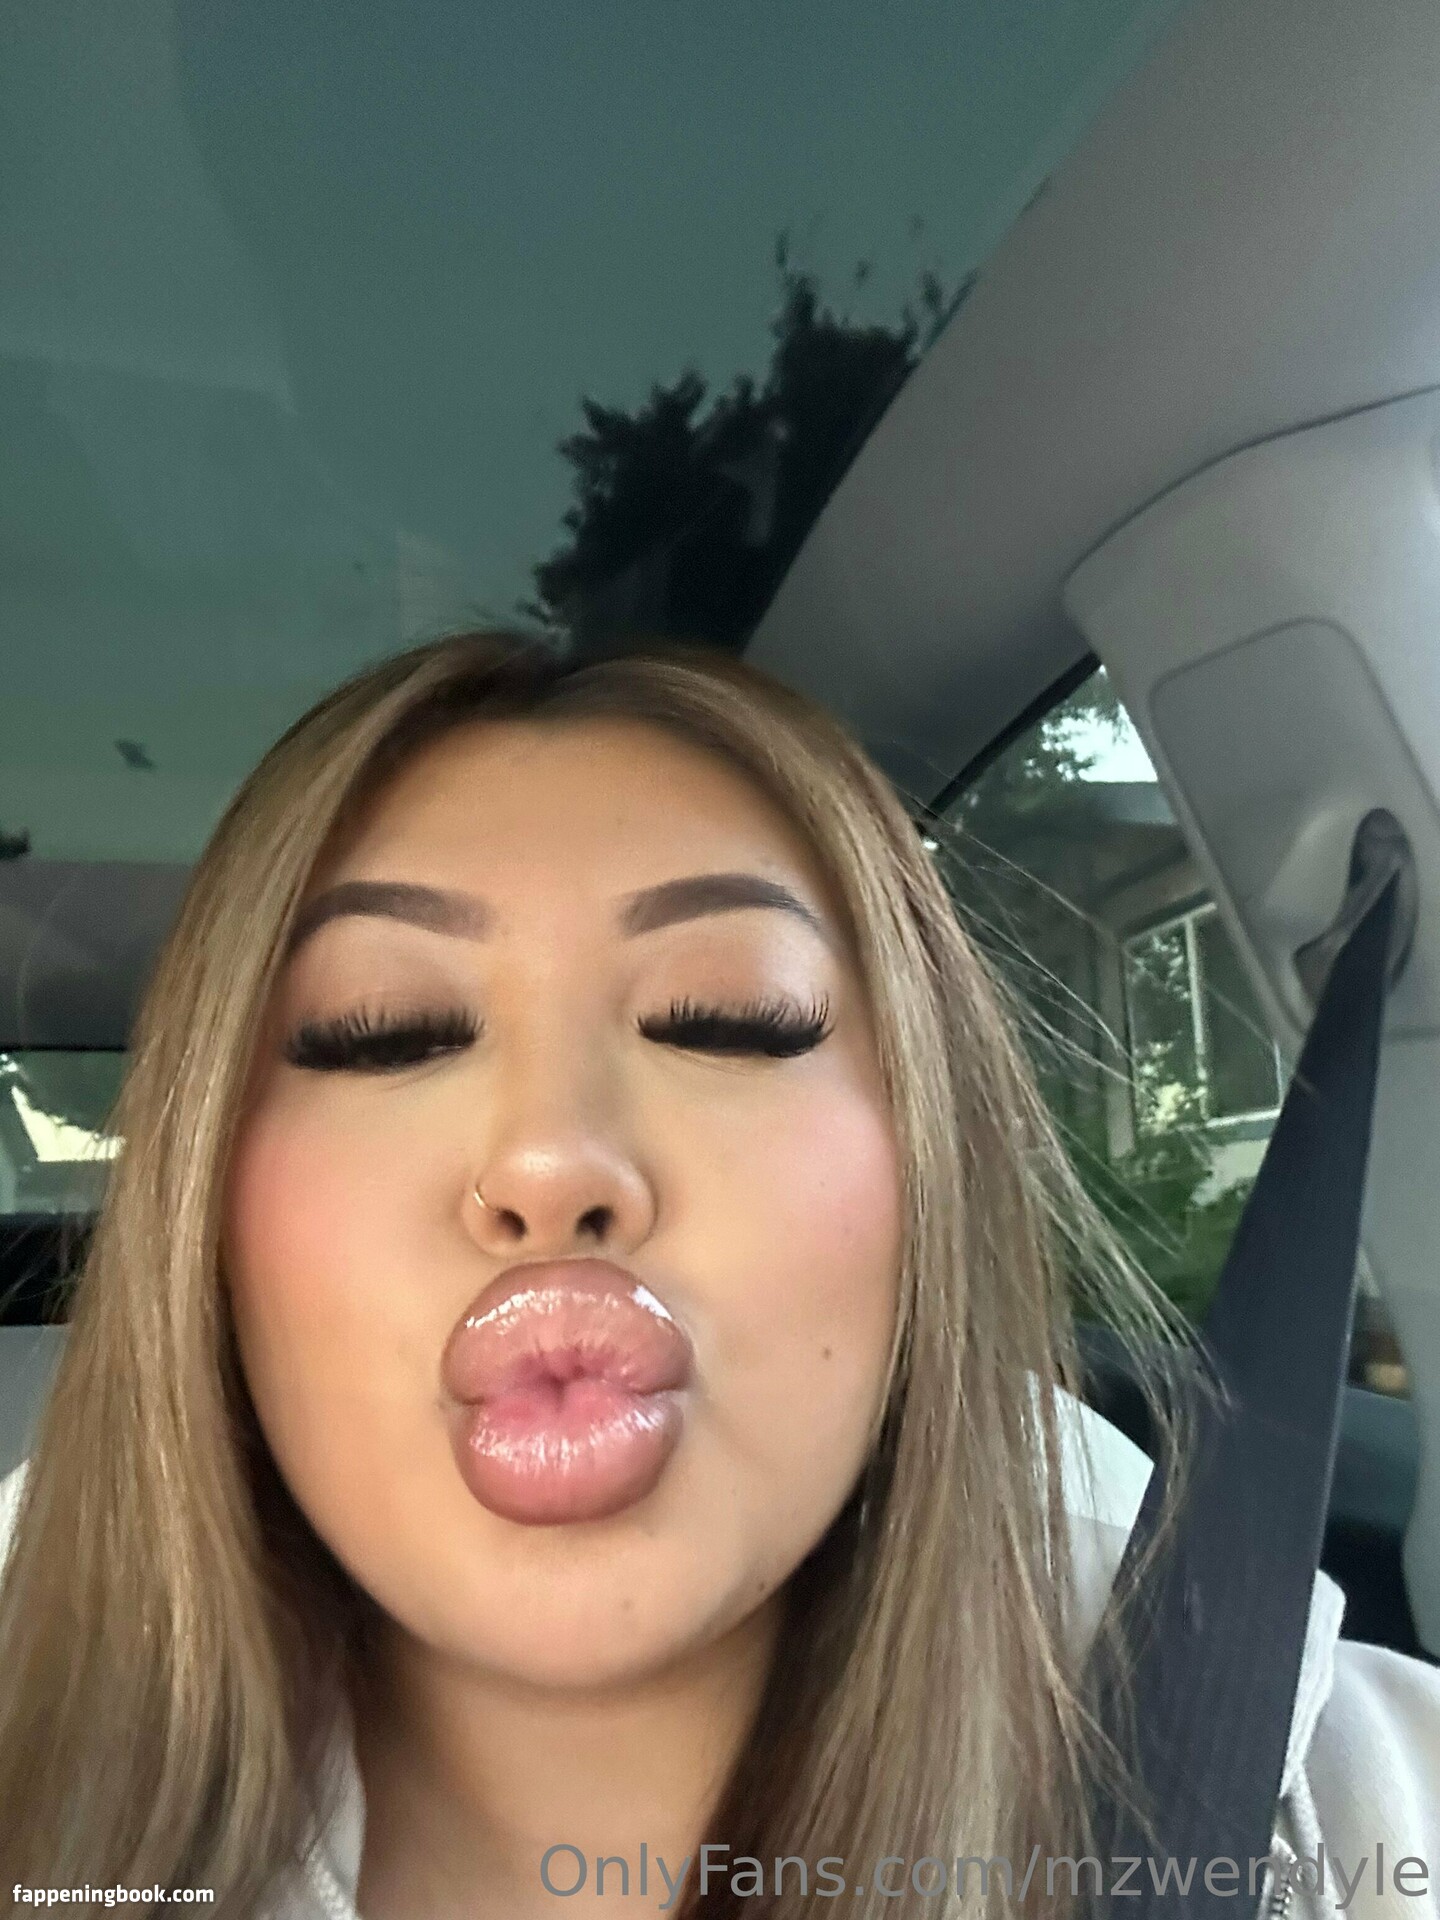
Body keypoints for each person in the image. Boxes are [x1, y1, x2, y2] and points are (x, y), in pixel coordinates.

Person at [0, 632, 1435, 1920]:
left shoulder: (1354, 1815)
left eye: (727, 1018)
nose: (550, 1160)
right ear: (204, 1221)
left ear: (929, 1173)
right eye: (383, 1031)